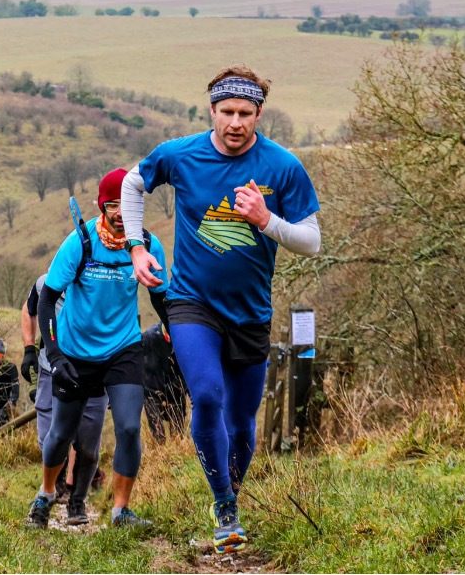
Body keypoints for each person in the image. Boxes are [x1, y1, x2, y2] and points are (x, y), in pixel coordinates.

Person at [121, 65, 321, 554]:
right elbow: (132, 183)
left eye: (245, 113)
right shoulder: (181, 154)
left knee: (242, 422)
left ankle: (228, 496)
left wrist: (266, 219)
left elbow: (312, 242)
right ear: (211, 110)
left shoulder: (283, 167)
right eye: (226, 112)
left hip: (250, 313)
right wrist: (136, 247)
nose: (235, 122)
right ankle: (225, 507)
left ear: (259, 114)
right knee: (206, 396)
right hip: (191, 303)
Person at [25, 168, 170, 530]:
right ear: (101, 205)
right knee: (60, 433)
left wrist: (175, 332)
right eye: (112, 205)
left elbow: (162, 298)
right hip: (75, 352)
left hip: (123, 349)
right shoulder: (80, 243)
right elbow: (46, 301)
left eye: (127, 204)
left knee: (128, 428)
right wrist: (54, 354)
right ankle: (44, 496)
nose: (120, 212)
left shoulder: (149, 246)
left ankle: (121, 511)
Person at [22, 274, 108, 525]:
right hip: (51, 369)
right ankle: (50, 490)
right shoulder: (45, 282)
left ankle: (77, 501)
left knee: (89, 447)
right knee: (49, 437)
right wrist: (29, 348)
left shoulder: (102, 281)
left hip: (94, 370)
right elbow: (29, 310)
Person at [139, 323, 186, 443]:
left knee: (178, 437)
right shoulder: (149, 338)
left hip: (176, 390)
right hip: (151, 391)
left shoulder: (183, 336)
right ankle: (160, 455)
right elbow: (146, 374)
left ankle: (177, 455)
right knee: (159, 439)